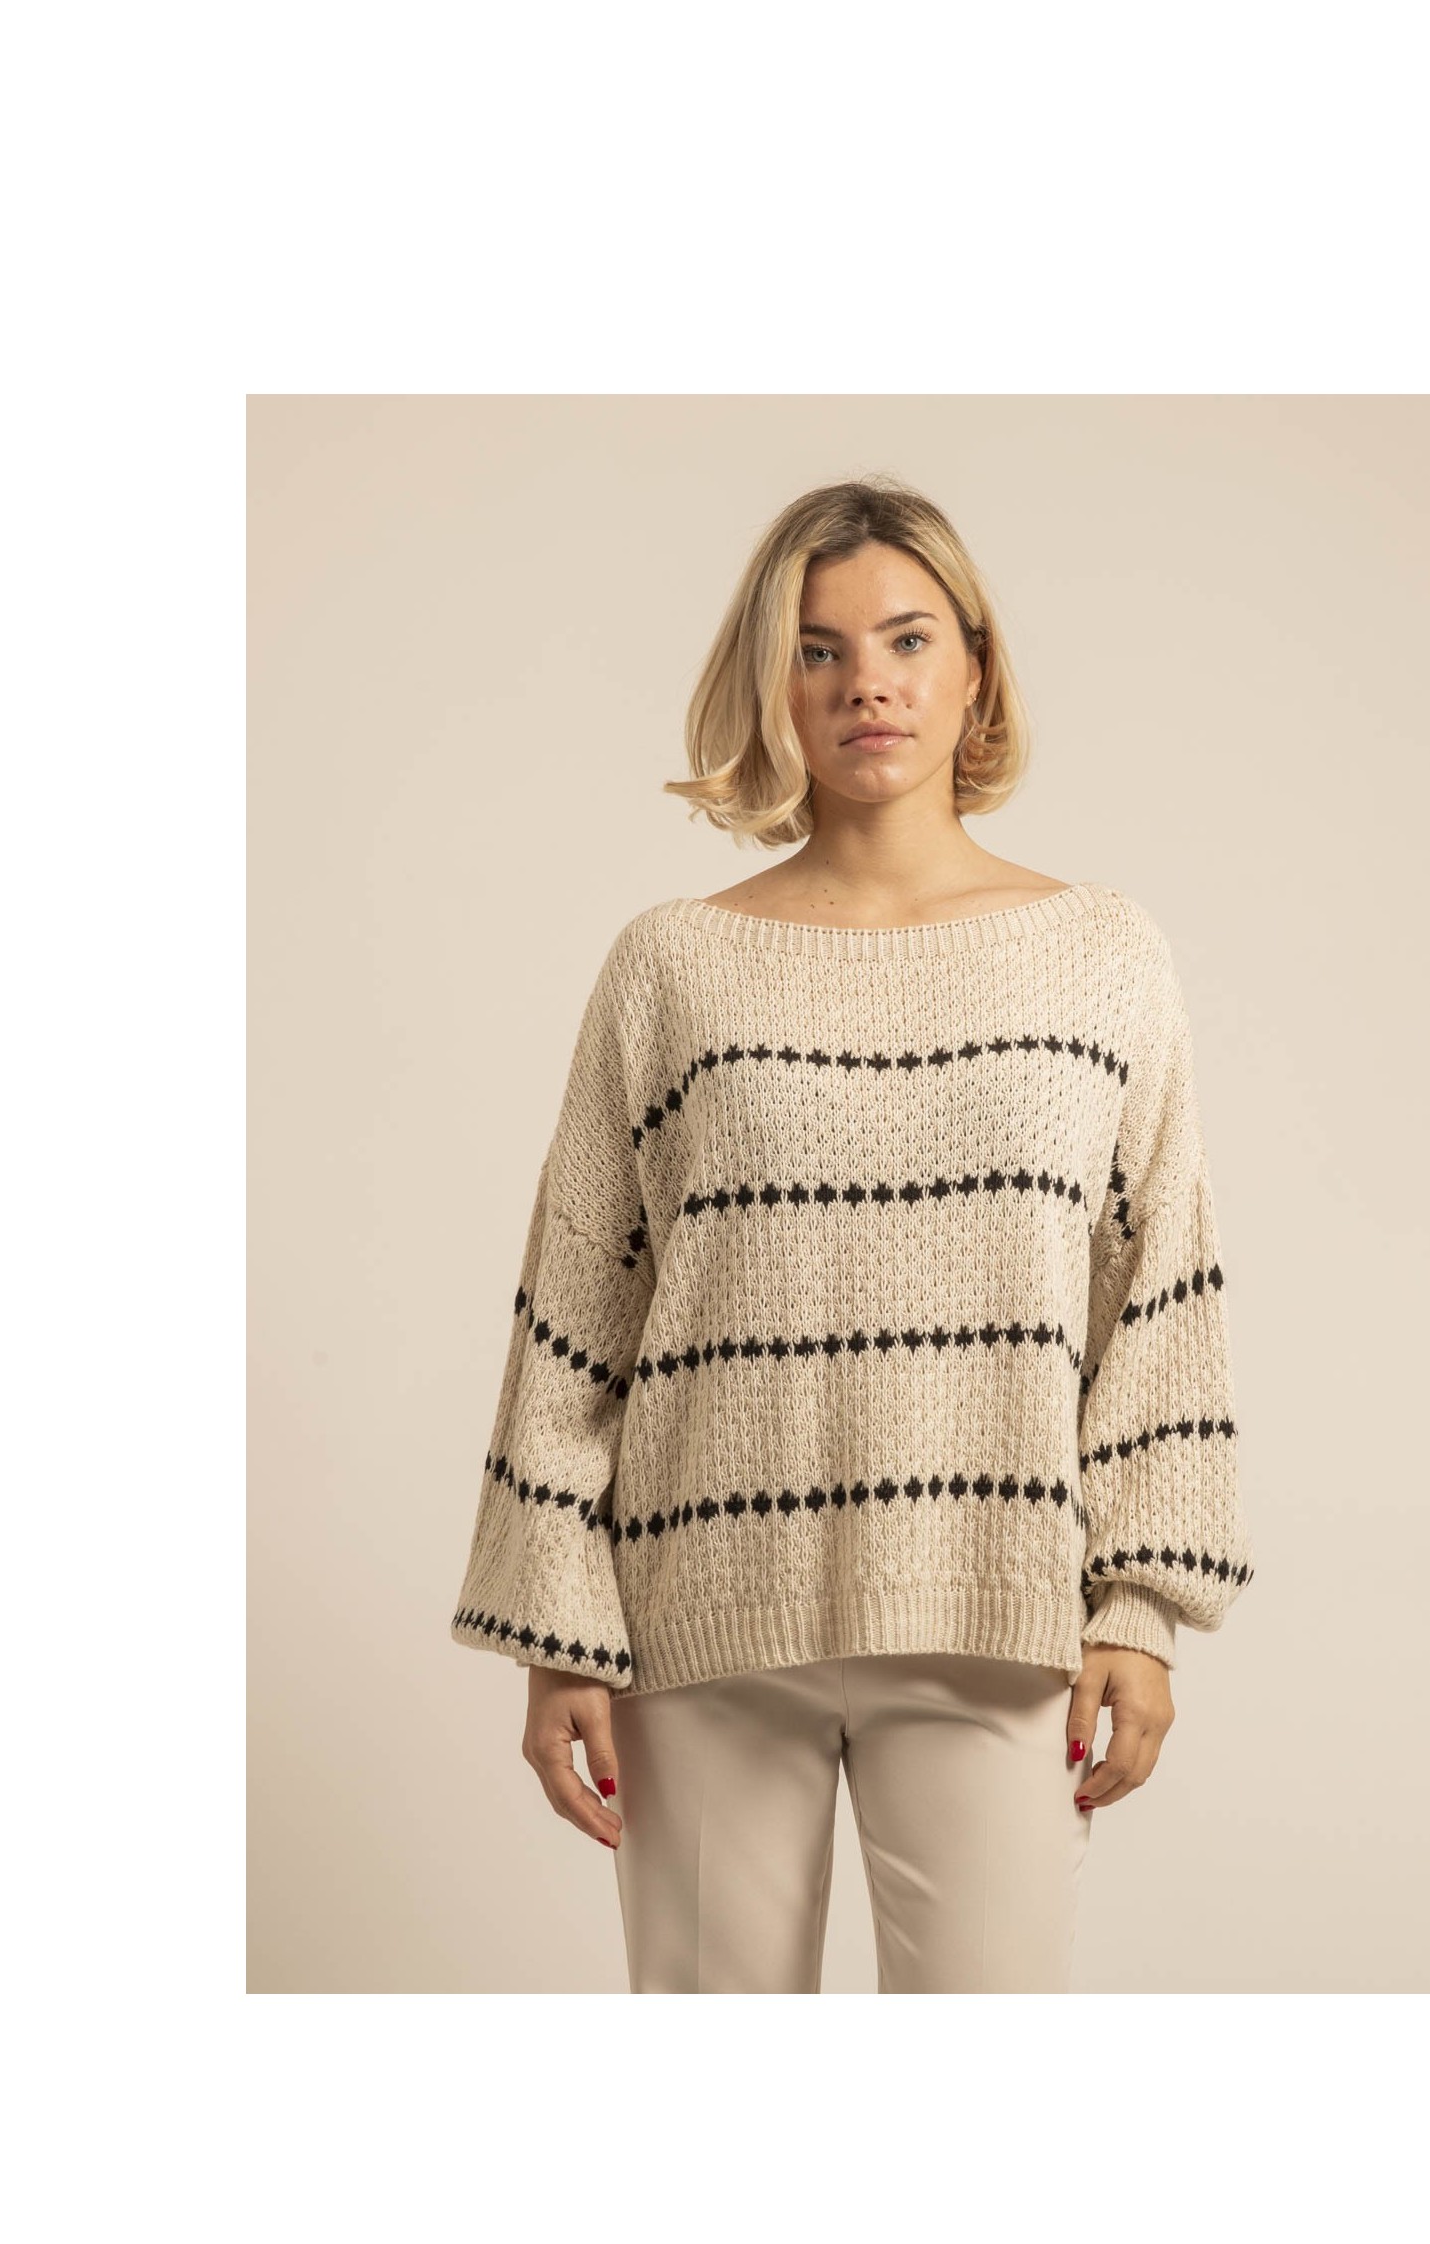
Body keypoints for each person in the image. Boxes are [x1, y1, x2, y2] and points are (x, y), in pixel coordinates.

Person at [448, 476, 1255, 1991]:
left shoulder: (1102, 956)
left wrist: (1143, 1608)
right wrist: (558, 1633)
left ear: (977, 669)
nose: (865, 684)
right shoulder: (670, 966)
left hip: (993, 1616)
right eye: (816, 650)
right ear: (772, 685)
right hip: (697, 1624)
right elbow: (575, 1314)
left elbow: (1159, 1294)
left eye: (905, 639)